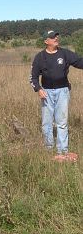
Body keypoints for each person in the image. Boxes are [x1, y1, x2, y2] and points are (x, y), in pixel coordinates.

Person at [30, 30, 83, 161]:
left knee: (62, 122)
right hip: (46, 92)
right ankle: (48, 148)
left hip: (63, 91)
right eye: (53, 37)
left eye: (56, 36)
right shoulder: (40, 57)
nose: (56, 38)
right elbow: (33, 77)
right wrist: (38, 89)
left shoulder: (64, 53)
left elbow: (79, 62)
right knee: (46, 123)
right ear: (46, 41)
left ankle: (62, 150)